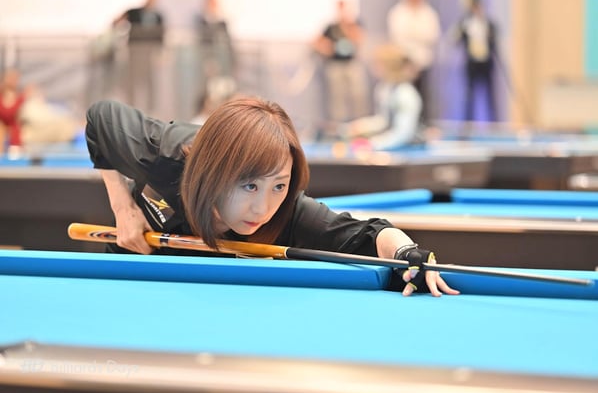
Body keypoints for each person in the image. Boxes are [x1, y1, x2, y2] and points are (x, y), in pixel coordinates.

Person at [85, 97, 459, 297]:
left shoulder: (288, 212)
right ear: (214, 174)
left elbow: (371, 234)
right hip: (129, 277)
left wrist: (407, 252)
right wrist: (123, 208)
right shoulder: (166, 155)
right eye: (249, 186)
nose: (263, 208)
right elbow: (100, 118)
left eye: (278, 186)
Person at [345, 44, 422, 150]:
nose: (373, 67)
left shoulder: (406, 94)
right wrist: (359, 126)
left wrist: (372, 144)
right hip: (391, 146)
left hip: (409, 150)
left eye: (377, 63)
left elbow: (404, 133)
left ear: (389, 66)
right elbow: (384, 120)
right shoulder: (384, 88)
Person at [313, 0, 369, 124]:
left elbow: (359, 39)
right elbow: (317, 42)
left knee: (358, 95)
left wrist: (347, 26)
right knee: (337, 98)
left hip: (351, 64)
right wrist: (327, 48)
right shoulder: (331, 27)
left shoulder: (355, 24)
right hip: (335, 65)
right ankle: (338, 124)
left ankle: (359, 124)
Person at [387, 0, 441, 124]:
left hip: (423, 62)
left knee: (423, 96)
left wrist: (413, 35)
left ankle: (423, 124)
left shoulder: (428, 13)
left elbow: (432, 35)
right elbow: (397, 36)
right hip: (403, 63)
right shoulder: (398, 12)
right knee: (403, 95)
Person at [114, 0, 164, 114]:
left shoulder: (158, 16)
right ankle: (131, 108)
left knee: (150, 82)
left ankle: (150, 110)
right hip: (135, 54)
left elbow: (161, 36)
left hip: (150, 55)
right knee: (133, 81)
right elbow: (117, 21)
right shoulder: (134, 12)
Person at [455, 0, 498, 122]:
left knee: (489, 95)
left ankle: (492, 121)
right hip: (472, 63)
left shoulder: (488, 23)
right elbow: (456, 40)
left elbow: (494, 40)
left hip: (486, 63)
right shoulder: (466, 23)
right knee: (469, 95)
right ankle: (468, 121)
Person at [0, 68, 29, 157]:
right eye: (10, 78)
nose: (12, 81)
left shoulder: (21, 99)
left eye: (15, 78)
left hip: (15, 138)